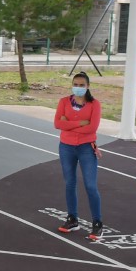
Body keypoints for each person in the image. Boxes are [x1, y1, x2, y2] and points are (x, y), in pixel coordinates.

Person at [54, 71, 104, 239]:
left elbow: (92, 128)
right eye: (75, 84)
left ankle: (97, 222)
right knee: (70, 183)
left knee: (90, 185)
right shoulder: (63, 102)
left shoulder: (94, 104)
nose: (78, 87)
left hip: (86, 148)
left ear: (88, 86)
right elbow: (57, 123)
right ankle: (72, 218)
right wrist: (80, 123)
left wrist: (67, 124)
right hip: (66, 147)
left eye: (82, 85)